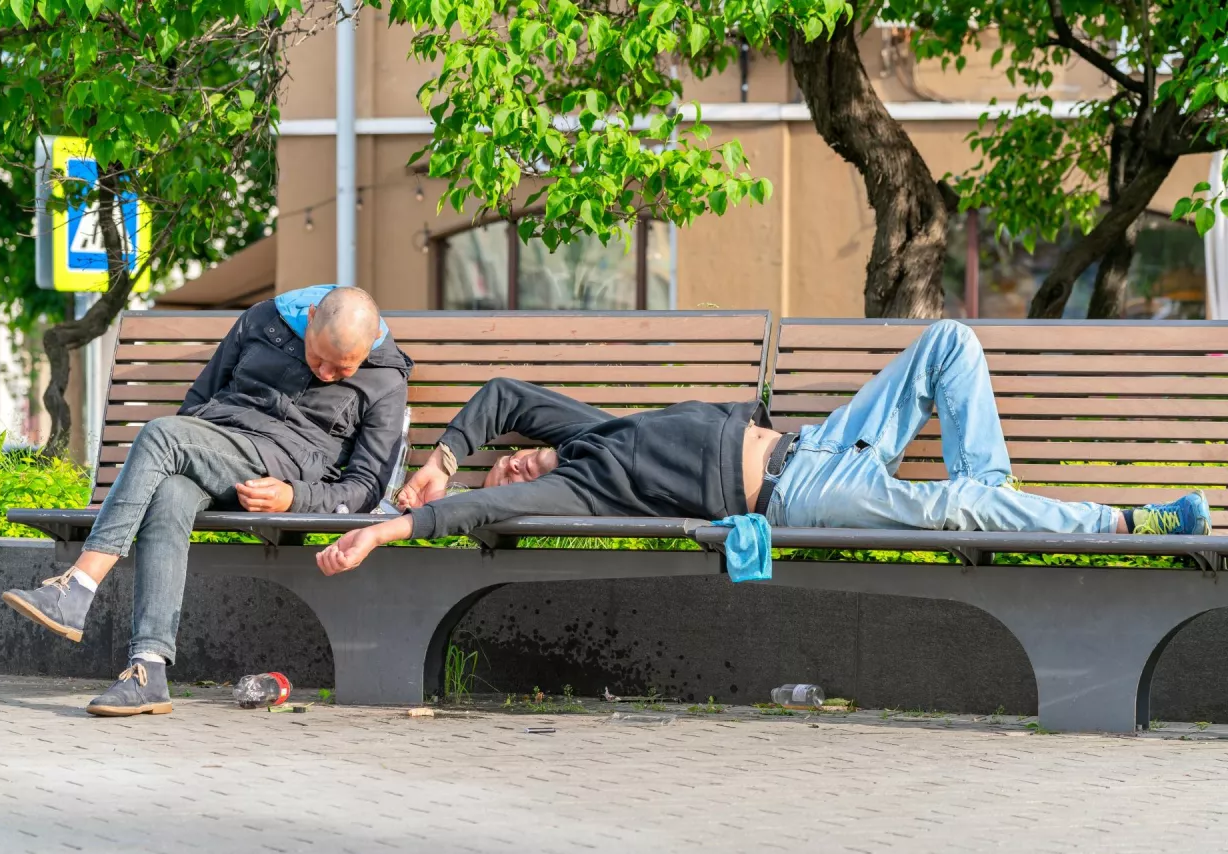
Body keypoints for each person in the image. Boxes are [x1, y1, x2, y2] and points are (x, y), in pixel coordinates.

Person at [315, 319, 1210, 577]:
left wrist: (442, 453)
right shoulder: (587, 486)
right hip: (797, 501)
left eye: (503, 456)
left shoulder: (584, 433)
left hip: (819, 445)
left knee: (951, 342)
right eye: (501, 474)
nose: (503, 466)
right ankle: (1131, 522)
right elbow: (481, 509)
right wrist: (398, 523)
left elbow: (506, 397)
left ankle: (1000, 506)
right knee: (954, 506)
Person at [3, 284, 412, 716]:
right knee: (171, 490)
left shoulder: (385, 378)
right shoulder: (263, 320)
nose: (328, 373)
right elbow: (201, 398)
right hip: (219, 444)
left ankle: (79, 587)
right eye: (319, 359)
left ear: (368, 351)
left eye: (343, 369)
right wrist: (186, 454)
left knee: (162, 433)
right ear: (309, 318)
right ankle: (149, 671)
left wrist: (296, 497)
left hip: (283, 469)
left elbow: (366, 487)